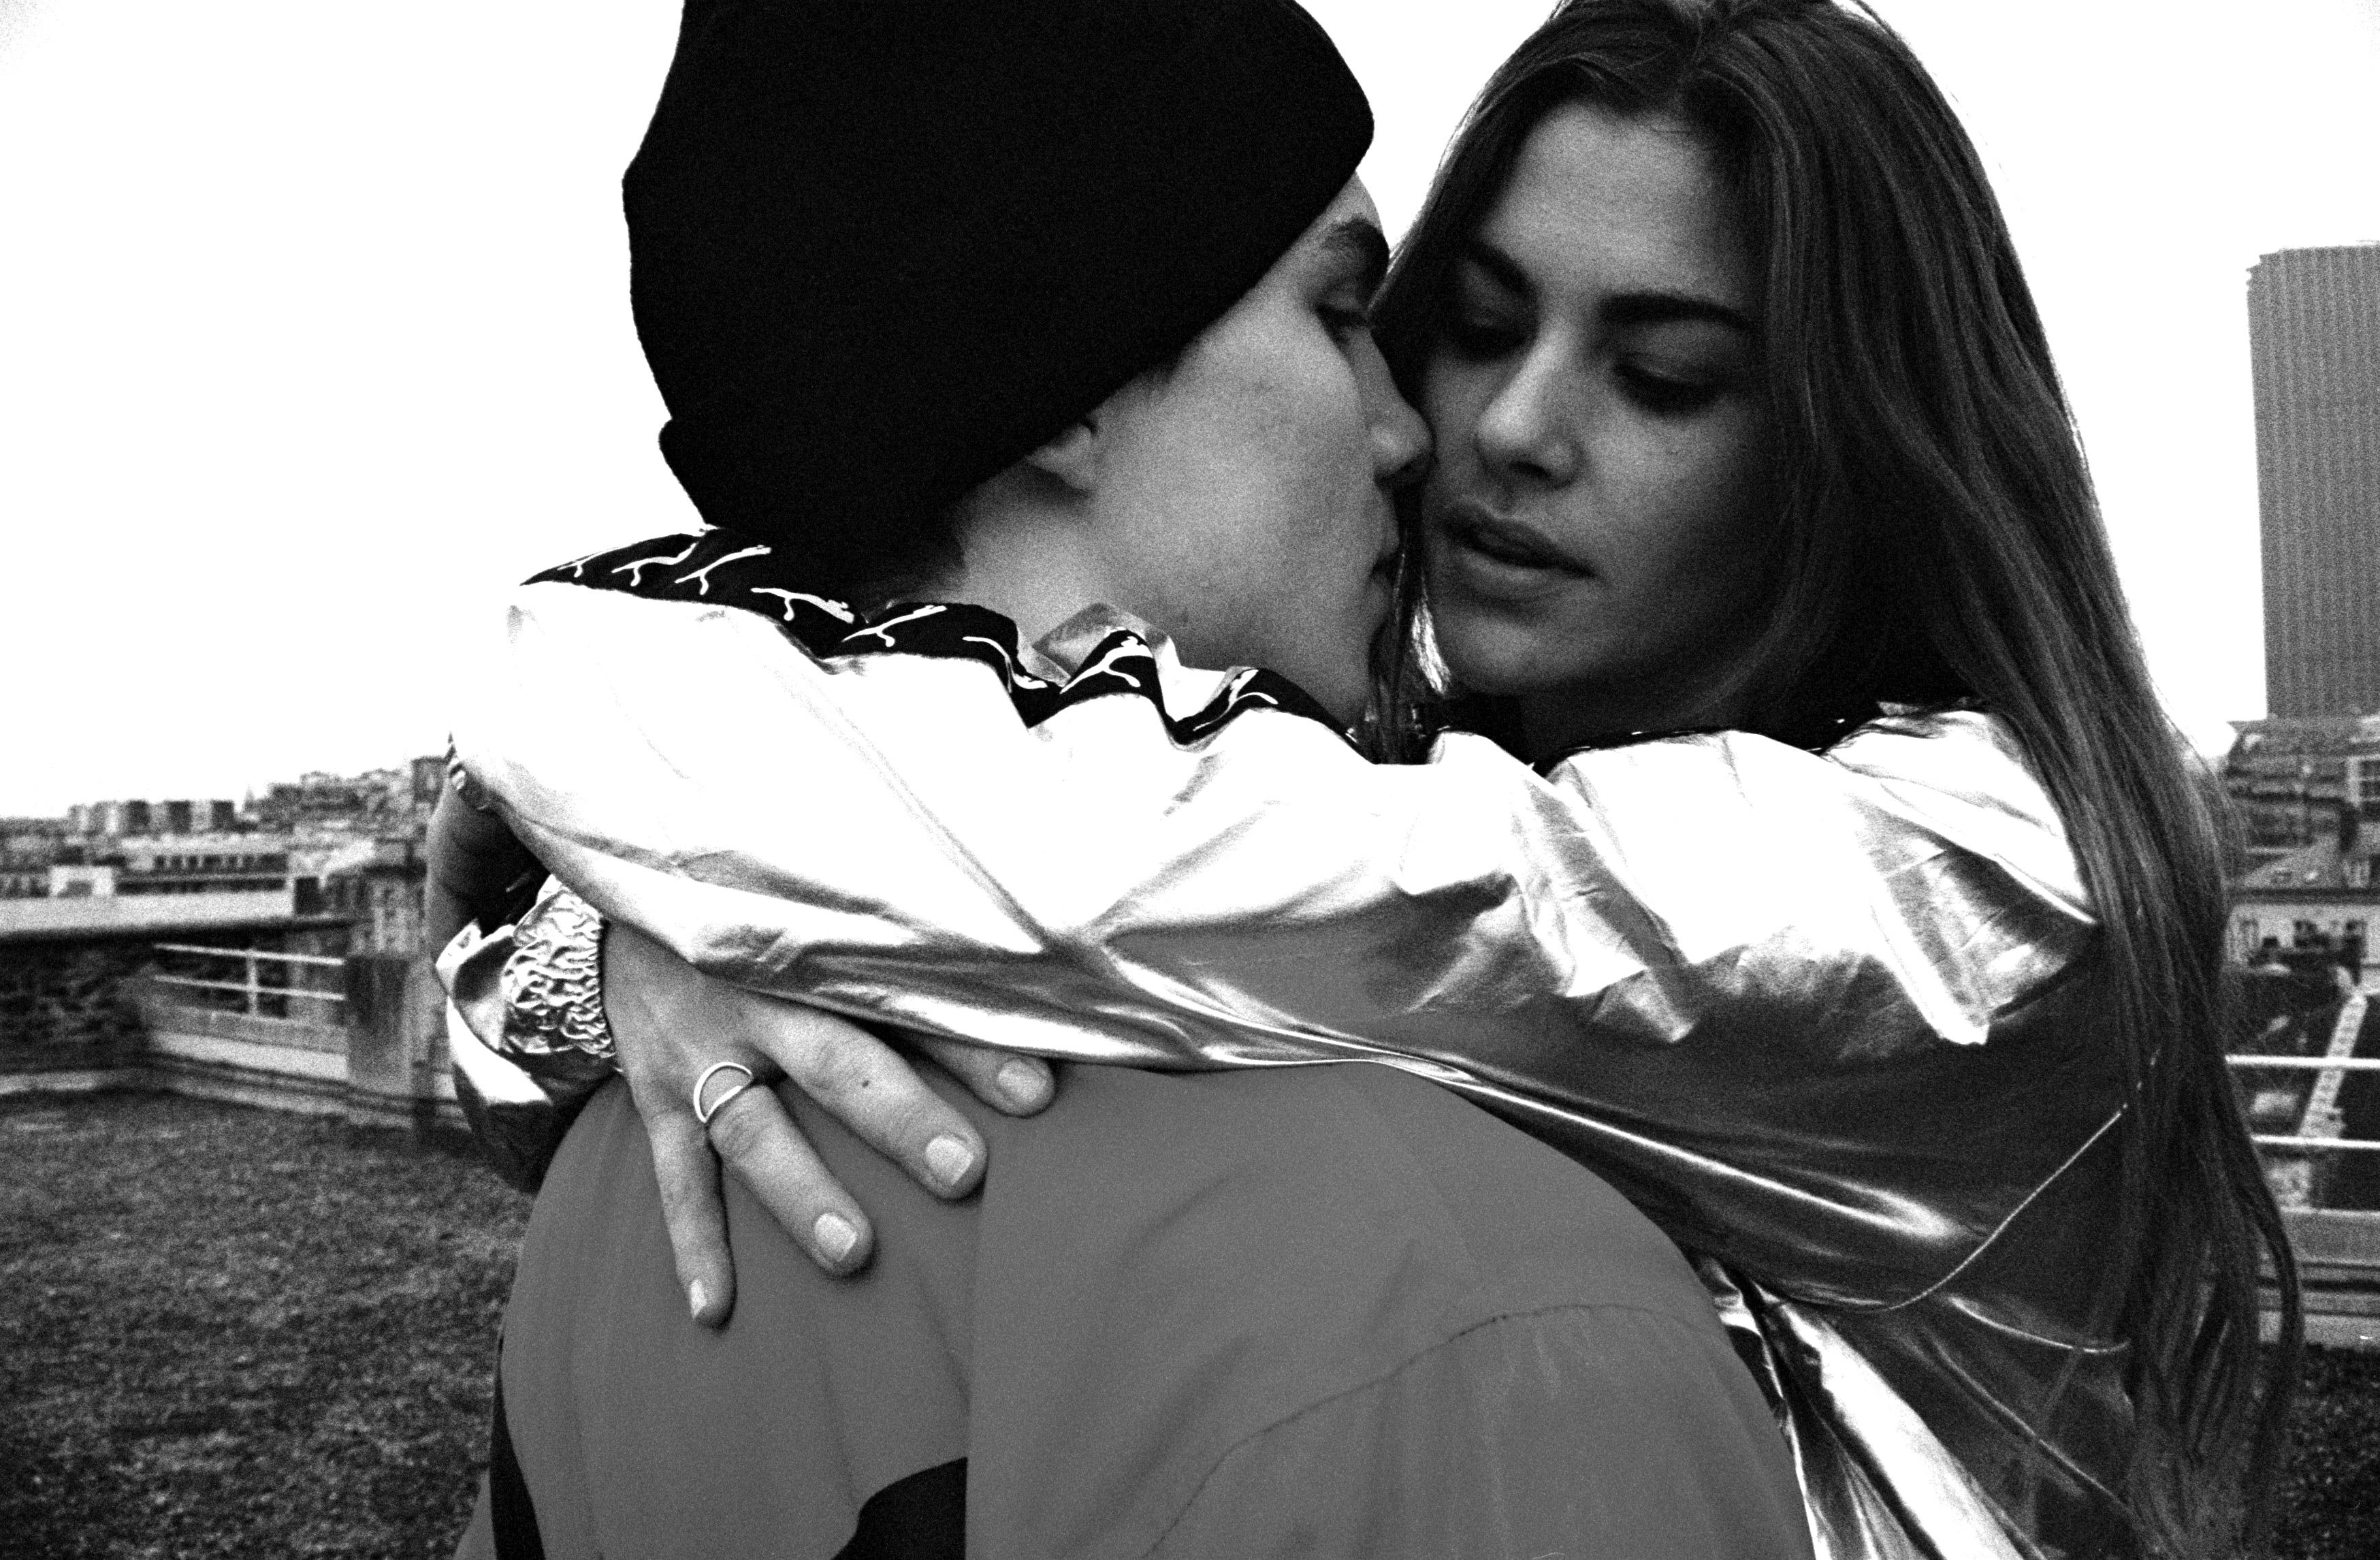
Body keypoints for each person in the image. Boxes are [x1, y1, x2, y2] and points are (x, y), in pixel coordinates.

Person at [447, 2, 2304, 1557]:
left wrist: (637, 869)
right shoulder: (1397, 794)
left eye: (1662, 375)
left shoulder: (1987, 873)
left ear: (1855, 441)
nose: (1496, 430)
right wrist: (625, 948)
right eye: (1466, 327)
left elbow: (1199, 884)